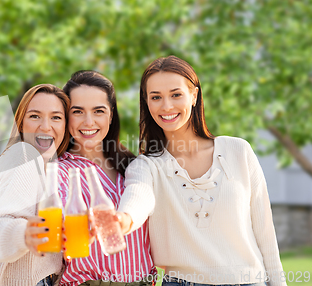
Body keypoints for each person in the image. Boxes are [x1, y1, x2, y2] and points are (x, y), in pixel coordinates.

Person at [117, 56, 286, 286]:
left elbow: (265, 233)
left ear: (194, 95)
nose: (166, 106)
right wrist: (123, 219)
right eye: (156, 97)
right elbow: (138, 196)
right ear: (147, 102)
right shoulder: (146, 166)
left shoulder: (238, 151)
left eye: (176, 94)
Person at [57, 70, 156, 286]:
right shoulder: (60, 171)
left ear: (110, 115)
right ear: (66, 115)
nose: (89, 121)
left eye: (98, 111)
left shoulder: (132, 166)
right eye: (78, 111)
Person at [0, 84, 71, 286]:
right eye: (35, 116)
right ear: (21, 123)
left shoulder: (42, 164)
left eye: (56, 117)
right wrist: (24, 233)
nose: (46, 126)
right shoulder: (25, 155)